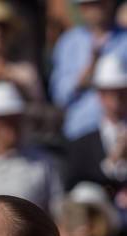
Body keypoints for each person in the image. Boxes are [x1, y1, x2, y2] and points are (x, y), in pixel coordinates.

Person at [0, 81, 63, 214]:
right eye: (4, 120)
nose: (12, 126)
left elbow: (57, 209)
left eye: (16, 119)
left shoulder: (43, 162)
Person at [50, 0, 127, 140]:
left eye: (98, 3)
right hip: (80, 130)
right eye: (88, 5)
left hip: (121, 133)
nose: (94, 10)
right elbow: (59, 95)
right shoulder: (69, 42)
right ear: (80, 8)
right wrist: (85, 75)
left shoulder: (125, 39)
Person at [65, 53, 127, 196]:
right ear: (100, 95)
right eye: (110, 92)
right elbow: (75, 188)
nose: (116, 98)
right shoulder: (82, 144)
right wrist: (112, 162)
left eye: (121, 92)